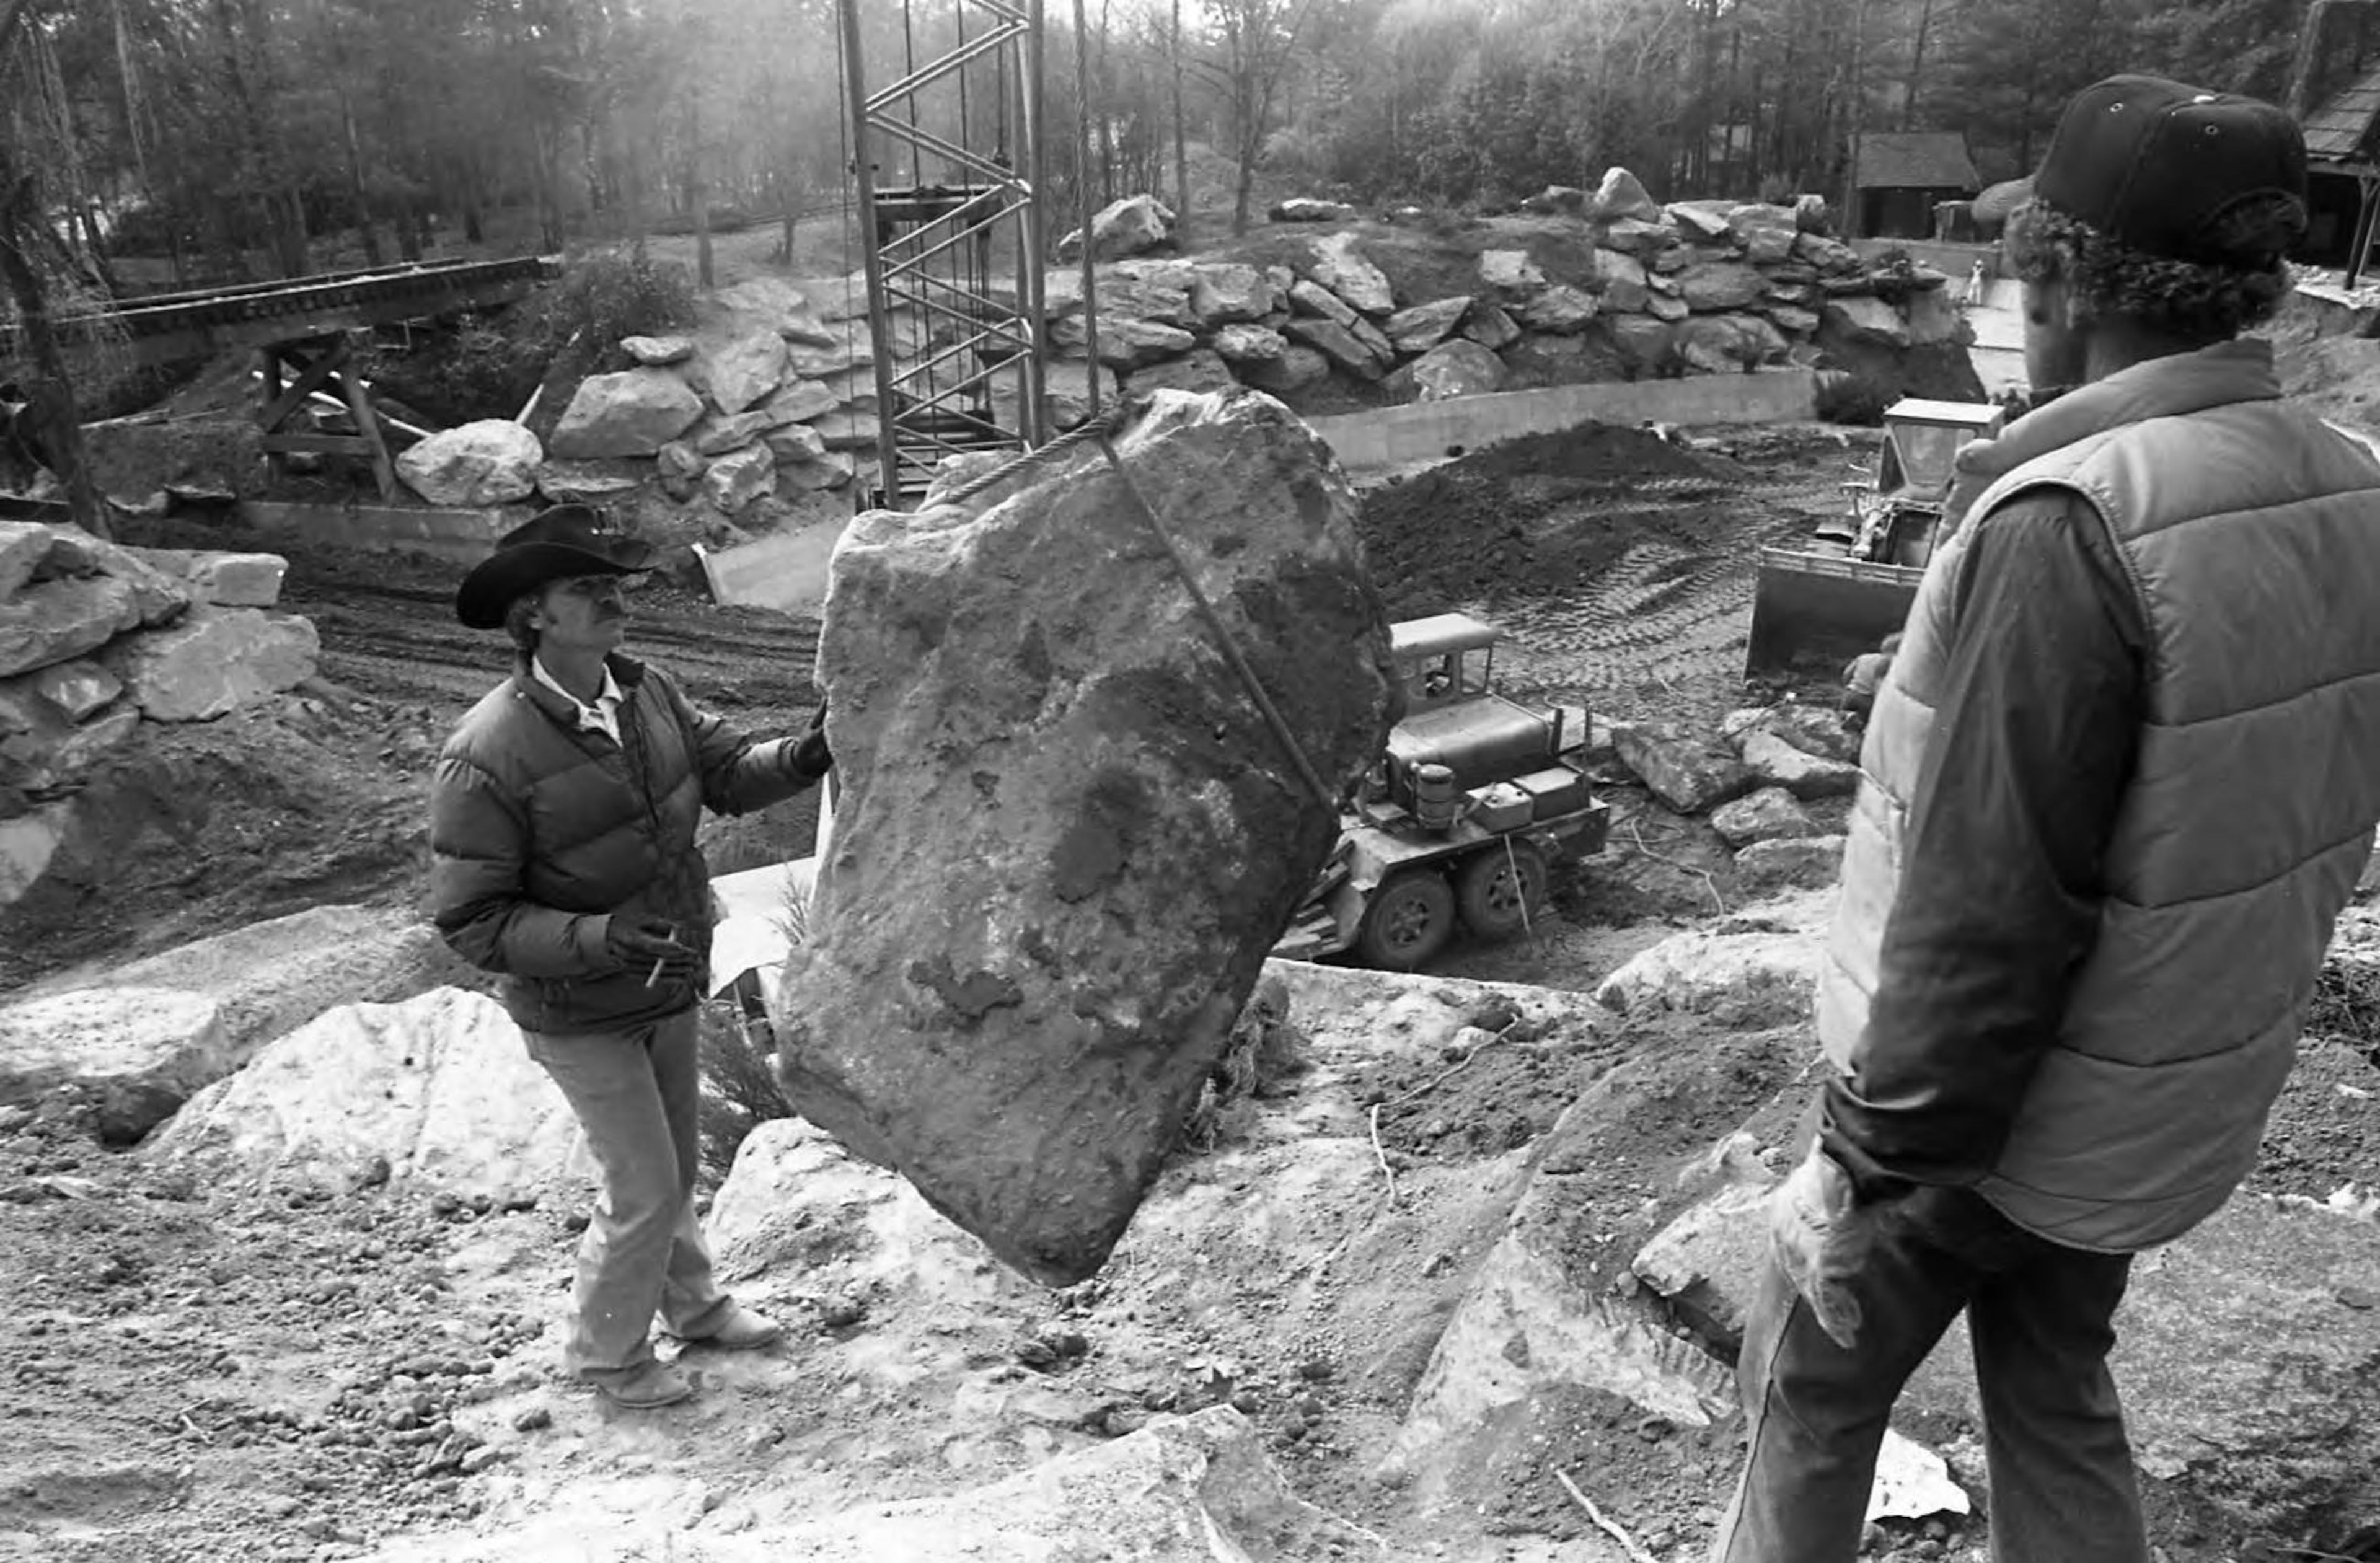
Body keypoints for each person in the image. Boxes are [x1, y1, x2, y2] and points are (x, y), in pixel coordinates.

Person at [1714, 75, 2380, 1560]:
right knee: (2053, 1380)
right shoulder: (2348, 488)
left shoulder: (2067, 520)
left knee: (1808, 1387)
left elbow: (1987, 905)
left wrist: (1869, 1167)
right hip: (2156, 1104)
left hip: (1983, 1124)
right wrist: (1939, 691)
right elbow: (2221, 751)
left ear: (2057, 274)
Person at [428, 504, 833, 1411]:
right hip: (578, 1006)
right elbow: (472, 920)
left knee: (675, 1169)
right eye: (590, 588)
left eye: (617, 584)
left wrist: (804, 755)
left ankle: (695, 1310)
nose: (616, 600)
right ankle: (605, 1360)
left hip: (670, 972)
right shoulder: (485, 752)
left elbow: (726, 771)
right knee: (643, 1184)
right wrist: (600, 938)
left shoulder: (649, 690)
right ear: (535, 613)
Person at [1837, 632, 1899, 728]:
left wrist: (1846, 688)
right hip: (1868, 699)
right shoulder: (1890, 664)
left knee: (1842, 719)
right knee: (1864, 727)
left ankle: (1848, 716)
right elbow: (1880, 685)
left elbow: (1846, 674)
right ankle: (1858, 723)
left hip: (1852, 693)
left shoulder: (1863, 657)